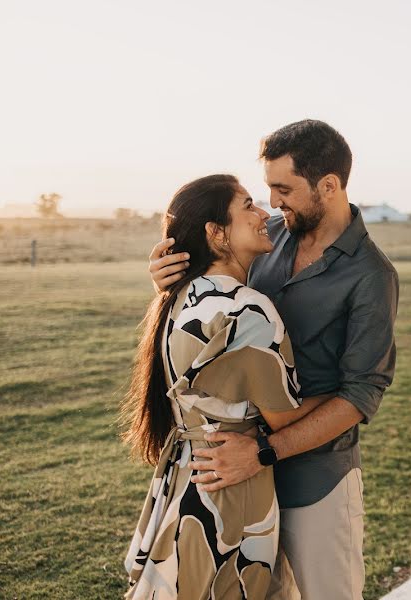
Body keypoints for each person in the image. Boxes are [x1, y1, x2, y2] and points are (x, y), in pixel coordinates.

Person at [147, 120, 399, 600]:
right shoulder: (265, 238)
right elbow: (217, 314)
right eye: (266, 189)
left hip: (315, 481)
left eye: (283, 189)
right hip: (240, 486)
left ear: (329, 186)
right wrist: (168, 281)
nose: (272, 203)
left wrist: (262, 451)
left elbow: (361, 396)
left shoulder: (372, 276)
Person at [121, 174, 332, 599]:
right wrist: (342, 391)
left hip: (188, 476)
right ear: (216, 233)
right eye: (249, 205)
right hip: (231, 491)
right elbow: (283, 416)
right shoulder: (247, 308)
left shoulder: (177, 297)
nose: (264, 214)